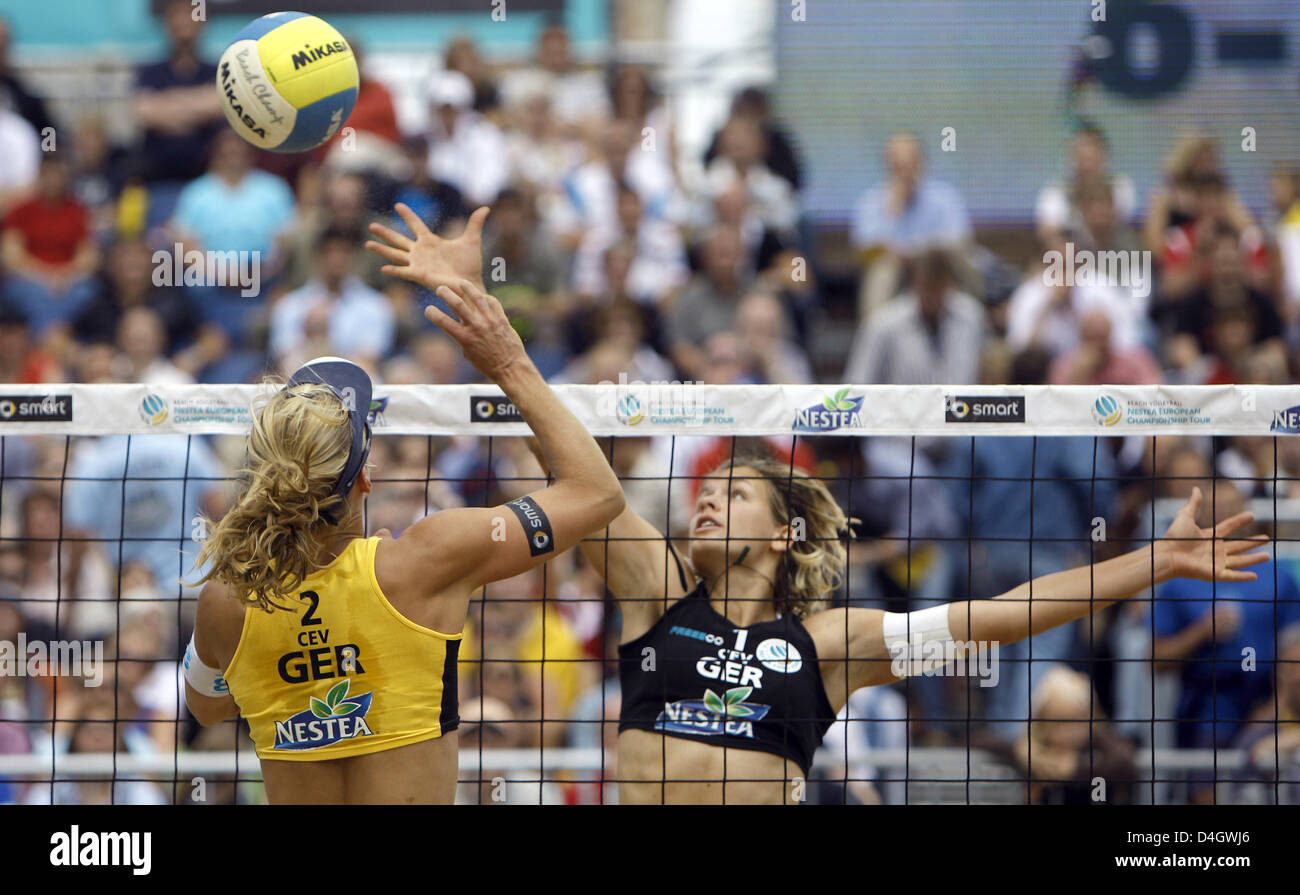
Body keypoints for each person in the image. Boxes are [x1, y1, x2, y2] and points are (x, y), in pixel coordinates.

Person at [523, 446, 1267, 803]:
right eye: (704, 493)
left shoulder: (830, 643)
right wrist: (496, 341)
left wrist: (1159, 561)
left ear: (785, 534)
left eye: (735, 492)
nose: (707, 502)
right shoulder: (660, 593)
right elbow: (583, 477)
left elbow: (1007, 616)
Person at [183, 204, 625, 805]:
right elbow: (596, 493)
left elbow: (206, 708)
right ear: (365, 477)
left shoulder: (225, 602)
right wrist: (508, 361)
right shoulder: (425, 559)